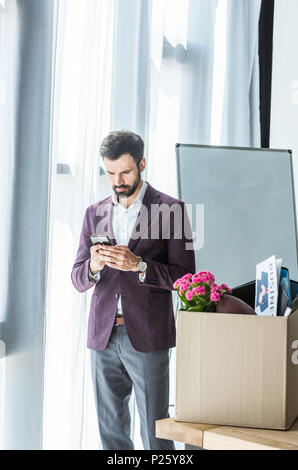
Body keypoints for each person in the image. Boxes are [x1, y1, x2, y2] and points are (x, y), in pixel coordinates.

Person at [71, 130, 196, 450]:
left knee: (156, 430)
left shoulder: (172, 210)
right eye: (110, 172)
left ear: (141, 164)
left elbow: (186, 278)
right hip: (103, 335)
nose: (117, 180)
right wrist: (94, 268)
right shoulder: (94, 213)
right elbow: (77, 277)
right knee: (110, 429)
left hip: (148, 336)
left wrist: (139, 266)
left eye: (125, 171)